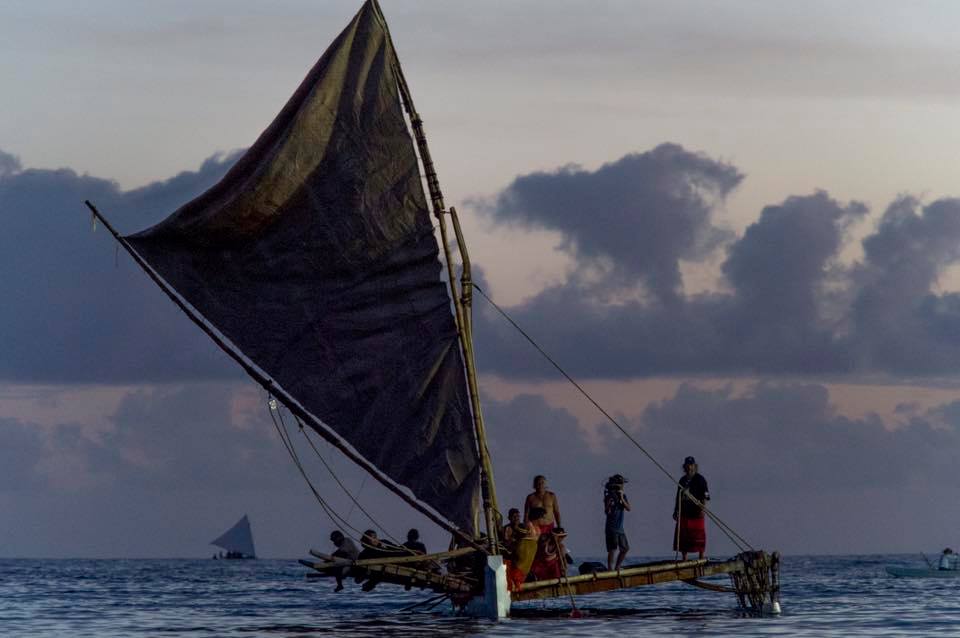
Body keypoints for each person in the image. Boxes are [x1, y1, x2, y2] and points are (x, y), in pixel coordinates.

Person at [673, 456, 710, 560]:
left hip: (696, 512)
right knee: (684, 537)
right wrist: (676, 510)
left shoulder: (700, 479)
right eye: (687, 465)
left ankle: (701, 557)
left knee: (699, 537)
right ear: (684, 466)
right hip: (685, 512)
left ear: (694, 466)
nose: (689, 467)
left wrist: (703, 507)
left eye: (691, 465)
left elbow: (706, 495)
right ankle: (684, 558)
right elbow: (678, 496)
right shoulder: (682, 480)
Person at [604, 473, 631, 570]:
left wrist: (622, 499)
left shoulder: (623, 496)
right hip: (611, 528)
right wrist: (609, 504)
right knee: (613, 549)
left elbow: (628, 508)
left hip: (620, 528)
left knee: (625, 548)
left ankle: (617, 566)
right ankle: (610, 570)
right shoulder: (609, 496)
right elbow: (607, 511)